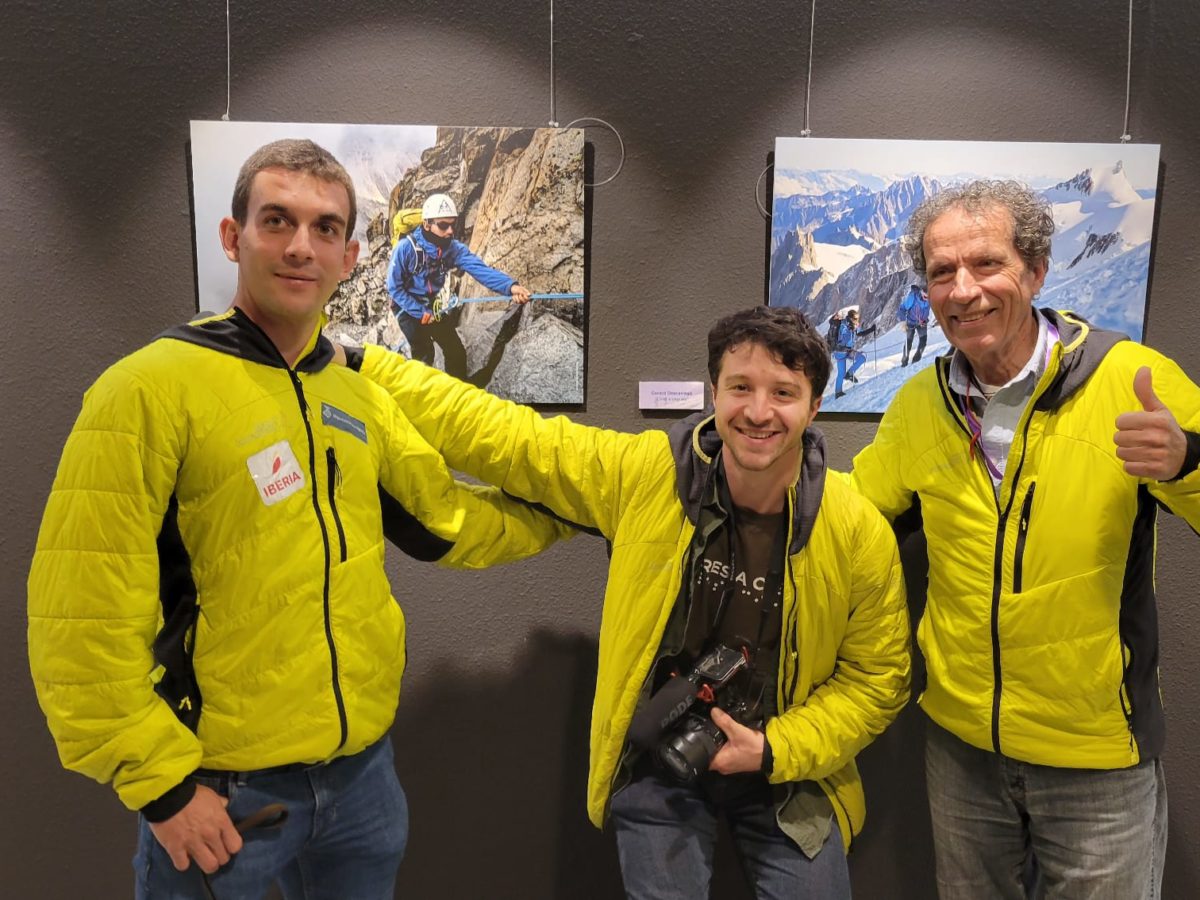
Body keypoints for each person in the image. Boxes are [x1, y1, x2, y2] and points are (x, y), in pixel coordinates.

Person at [27, 139, 569, 900]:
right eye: (276, 220)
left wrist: (573, 513)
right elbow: (79, 616)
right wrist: (162, 789)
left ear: (349, 255)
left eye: (323, 229)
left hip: (362, 782)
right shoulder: (145, 392)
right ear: (233, 235)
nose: (298, 247)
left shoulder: (357, 396)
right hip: (223, 791)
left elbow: (446, 523)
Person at [338, 306, 911, 898]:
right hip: (661, 752)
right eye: (740, 387)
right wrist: (366, 364)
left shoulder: (855, 531)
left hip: (789, 768)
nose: (758, 412)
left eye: (784, 392)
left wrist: (773, 750)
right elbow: (509, 438)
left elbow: (876, 682)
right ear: (714, 391)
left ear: (814, 406)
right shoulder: (648, 475)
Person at [849, 179, 1200, 899]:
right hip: (961, 747)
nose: (962, 290)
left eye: (986, 264)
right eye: (942, 272)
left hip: (1096, 754)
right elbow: (854, 515)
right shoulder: (921, 403)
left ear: (1035, 272)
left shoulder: (1130, 378)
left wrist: (1189, 460)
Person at [385, 192, 532, 379]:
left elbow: (480, 270)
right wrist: (420, 313)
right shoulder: (405, 249)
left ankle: (459, 394)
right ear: (427, 224)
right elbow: (394, 287)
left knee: (455, 351)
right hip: (405, 307)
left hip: (430, 304)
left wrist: (511, 287)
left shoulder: (452, 249)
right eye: (443, 225)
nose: (450, 231)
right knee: (424, 353)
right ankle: (421, 396)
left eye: (452, 225)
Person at [831, 309, 875, 398]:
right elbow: (841, 338)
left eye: (857, 318)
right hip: (840, 352)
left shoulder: (853, 326)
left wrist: (871, 329)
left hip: (847, 351)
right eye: (855, 318)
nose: (857, 320)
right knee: (841, 373)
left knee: (862, 358)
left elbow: (860, 333)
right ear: (850, 318)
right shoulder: (843, 325)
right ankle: (838, 392)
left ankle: (849, 374)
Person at [898, 282, 930, 366]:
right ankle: (904, 362)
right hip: (910, 322)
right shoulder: (912, 297)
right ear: (921, 292)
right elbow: (902, 308)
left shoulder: (930, 299)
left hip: (922, 322)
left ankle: (916, 361)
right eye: (925, 295)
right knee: (908, 342)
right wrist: (903, 322)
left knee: (923, 341)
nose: (927, 298)